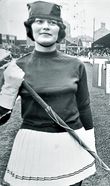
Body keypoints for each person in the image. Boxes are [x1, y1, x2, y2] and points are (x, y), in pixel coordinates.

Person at [0, 1, 96, 185]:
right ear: (31, 28)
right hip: (33, 144)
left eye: (51, 22)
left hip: (71, 140)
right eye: (38, 21)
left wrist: (90, 140)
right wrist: (9, 89)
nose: (45, 26)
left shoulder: (76, 64)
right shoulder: (16, 67)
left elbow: (84, 106)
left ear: (59, 29)